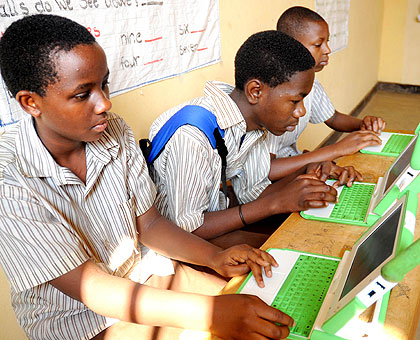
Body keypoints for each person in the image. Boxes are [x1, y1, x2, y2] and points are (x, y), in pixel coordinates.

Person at [0, 14, 296, 340]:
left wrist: (215, 258)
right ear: (31, 102)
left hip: (146, 275)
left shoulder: (114, 131)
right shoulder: (9, 179)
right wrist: (209, 313)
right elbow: (93, 288)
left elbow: (150, 224)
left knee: (268, 310)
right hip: (78, 319)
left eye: (104, 84)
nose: (105, 103)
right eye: (83, 94)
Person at [149, 30, 361, 249]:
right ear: (255, 91)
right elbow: (188, 228)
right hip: (181, 244)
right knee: (297, 247)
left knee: (310, 242)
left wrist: (308, 171)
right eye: (295, 101)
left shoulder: (254, 125)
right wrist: (275, 203)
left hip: (215, 221)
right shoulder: (193, 136)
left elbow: (254, 193)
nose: (301, 112)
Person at [266, 6, 386, 178]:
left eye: (327, 42)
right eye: (318, 44)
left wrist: (362, 125)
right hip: (269, 180)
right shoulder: (272, 96)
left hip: (293, 161)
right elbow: (265, 170)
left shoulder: (310, 84)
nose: (328, 50)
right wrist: (335, 150)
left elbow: (333, 117)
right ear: (290, 47)